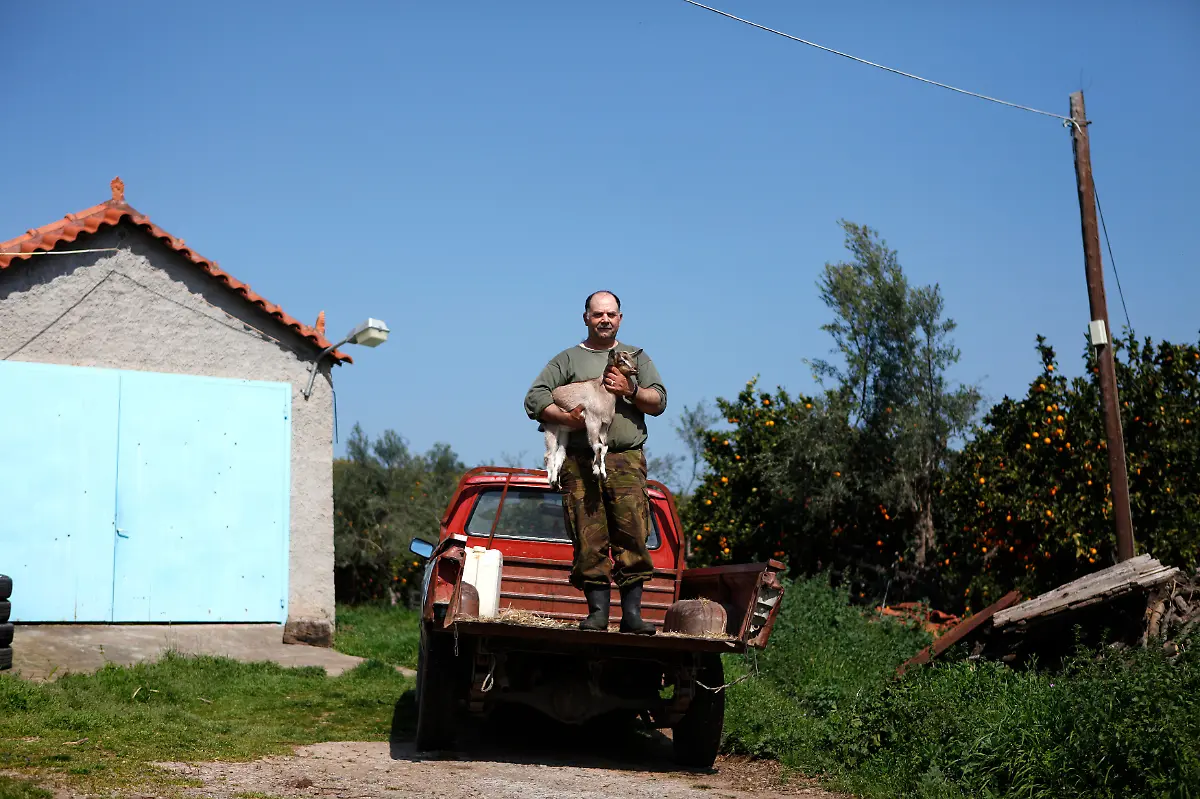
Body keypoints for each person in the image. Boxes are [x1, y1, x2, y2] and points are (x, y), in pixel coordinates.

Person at [523, 290, 667, 634]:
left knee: (632, 532)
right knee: (588, 534)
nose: (605, 319)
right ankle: (598, 614)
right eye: (598, 314)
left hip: (625, 459)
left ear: (620, 318)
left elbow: (659, 400)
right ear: (586, 317)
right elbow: (534, 397)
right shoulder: (567, 360)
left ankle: (632, 616)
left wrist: (630, 390)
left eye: (612, 314)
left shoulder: (635, 359)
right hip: (579, 460)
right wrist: (566, 418)